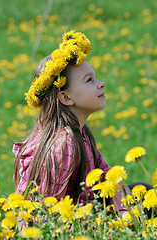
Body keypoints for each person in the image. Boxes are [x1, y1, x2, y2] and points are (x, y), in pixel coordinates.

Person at [13, 30, 129, 215]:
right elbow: (47, 213)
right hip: (66, 227)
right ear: (66, 97)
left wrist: (124, 209)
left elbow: (106, 173)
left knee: (141, 190)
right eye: (89, 80)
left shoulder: (81, 133)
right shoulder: (63, 146)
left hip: (82, 216)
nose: (101, 83)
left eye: (96, 77)